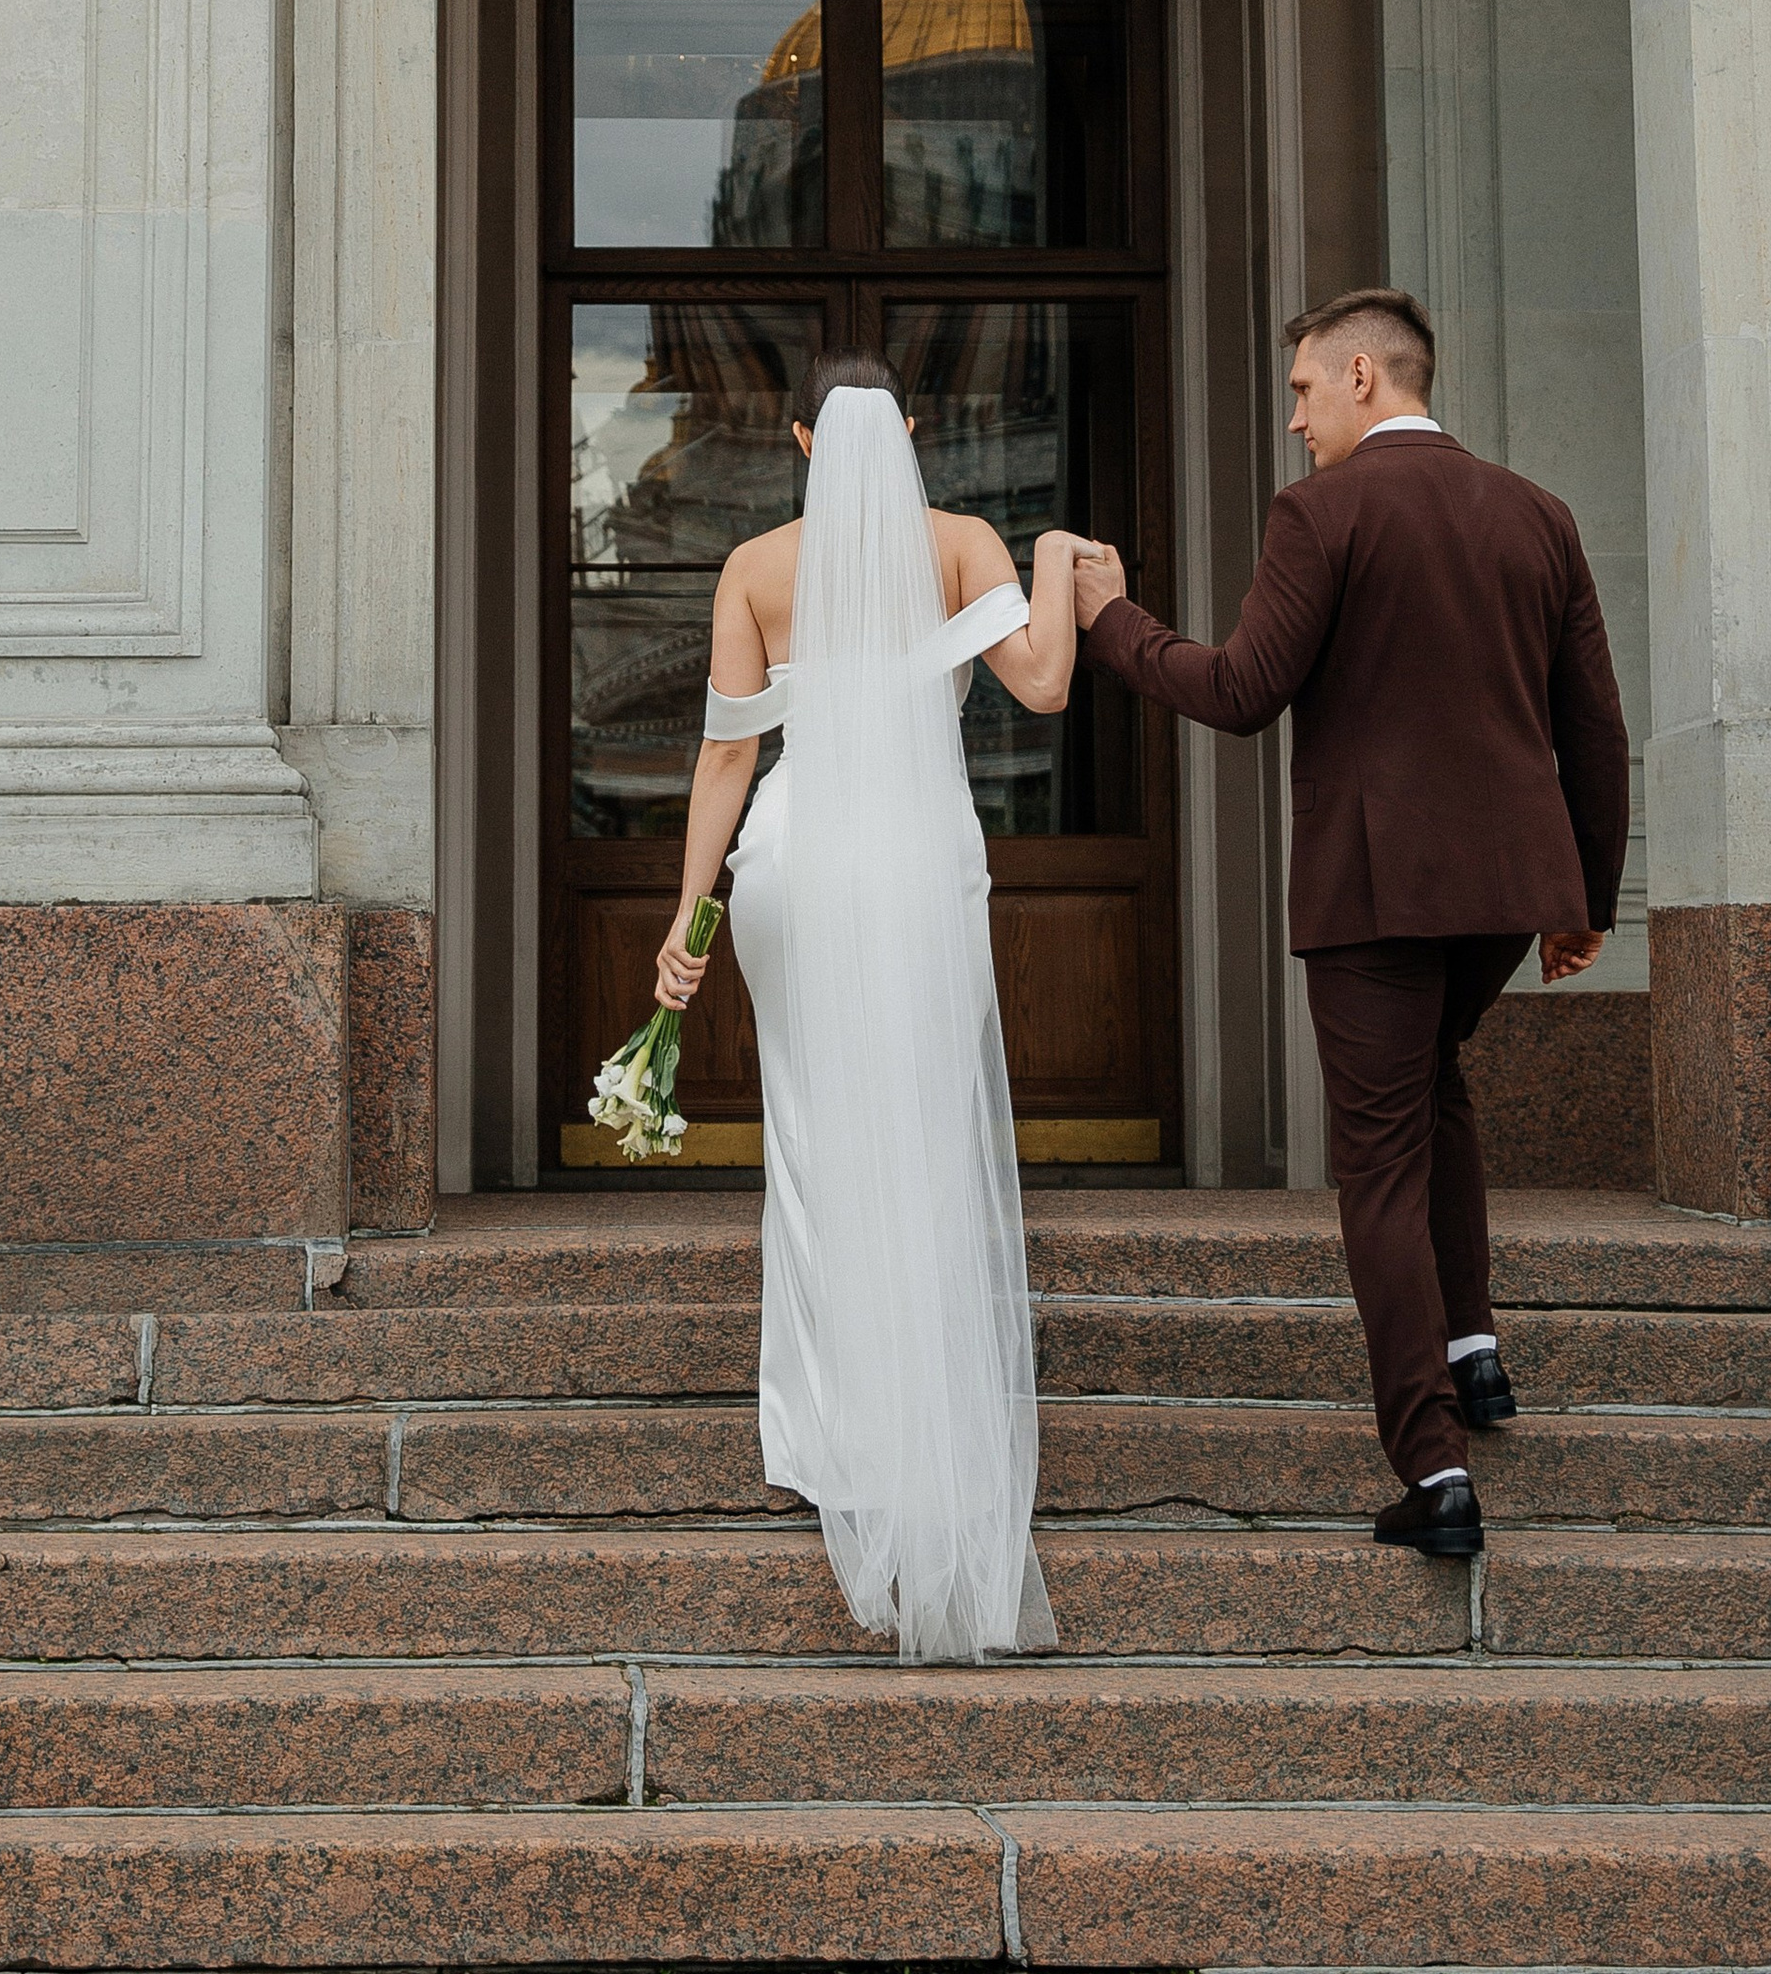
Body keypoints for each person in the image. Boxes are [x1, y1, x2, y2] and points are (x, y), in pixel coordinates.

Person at [1071, 285, 1629, 1559]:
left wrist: (1114, 622)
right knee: (1433, 1089)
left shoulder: (1322, 512)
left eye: (1306, 392)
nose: (1293, 419)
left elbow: (1240, 689)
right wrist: (1584, 894)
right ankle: (1474, 1350)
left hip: (1376, 894)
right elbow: (1593, 723)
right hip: (1504, 888)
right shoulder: (1539, 514)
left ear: (1368, 377)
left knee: (1376, 1161)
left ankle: (1432, 1467)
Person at [652, 350, 1085, 1662]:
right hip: (914, 854)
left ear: (798, 440)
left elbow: (729, 751)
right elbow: (1047, 685)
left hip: (794, 857)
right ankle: (927, 1427)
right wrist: (1057, 555)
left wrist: (691, 917)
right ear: (909, 429)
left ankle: (828, 1436)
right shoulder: (960, 540)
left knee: (815, 1140)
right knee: (923, 1135)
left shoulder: (755, 568)